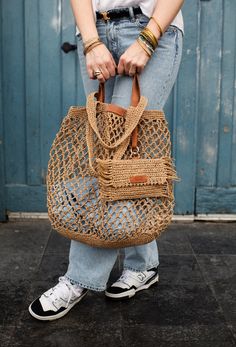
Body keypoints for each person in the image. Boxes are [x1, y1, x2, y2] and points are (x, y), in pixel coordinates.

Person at [29, 0, 184, 321]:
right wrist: (91, 41)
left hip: (151, 28)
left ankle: (78, 278)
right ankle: (144, 266)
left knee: (116, 159)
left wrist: (148, 38)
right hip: (95, 31)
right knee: (119, 159)